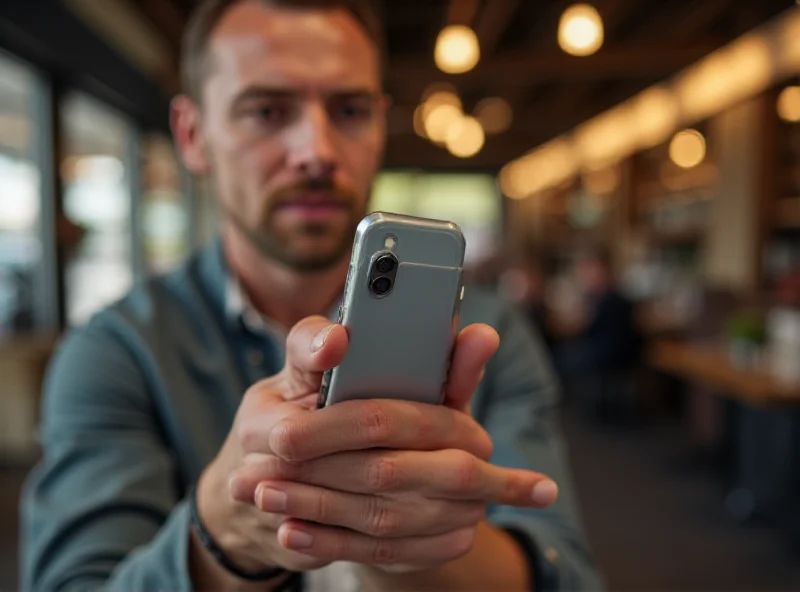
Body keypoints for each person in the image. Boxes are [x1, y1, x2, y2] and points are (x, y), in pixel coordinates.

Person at [20, 1, 600, 590]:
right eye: (268, 110)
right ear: (193, 137)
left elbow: (568, 576)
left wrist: (418, 540)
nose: (317, 150)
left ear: (379, 125)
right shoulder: (118, 351)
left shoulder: (490, 332)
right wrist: (225, 533)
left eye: (349, 110)